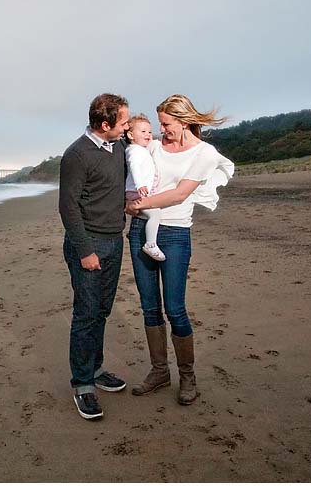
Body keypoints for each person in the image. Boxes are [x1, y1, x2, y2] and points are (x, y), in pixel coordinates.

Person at [125, 94, 234, 405]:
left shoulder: (204, 154)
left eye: (167, 124)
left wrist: (139, 204)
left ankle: (187, 375)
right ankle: (160, 371)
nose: (161, 130)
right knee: (149, 307)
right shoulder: (154, 145)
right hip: (140, 230)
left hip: (175, 234)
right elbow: (130, 162)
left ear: (184, 121)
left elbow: (178, 194)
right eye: (159, 124)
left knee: (174, 308)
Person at [59, 93, 131, 420]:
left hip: (114, 241)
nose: (127, 128)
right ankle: (83, 383)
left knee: (102, 310)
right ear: (105, 124)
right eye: (124, 122)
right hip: (87, 245)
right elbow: (68, 207)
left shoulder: (118, 148)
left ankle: (96, 367)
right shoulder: (77, 155)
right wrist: (85, 251)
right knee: (86, 314)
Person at [124, 114, 166, 262]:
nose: (148, 135)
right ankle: (150, 244)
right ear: (130, 134)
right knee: (154, 214)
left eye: (149, 131)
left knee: (147, 213)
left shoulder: (141, 149)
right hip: (136, 190)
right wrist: (140, 184)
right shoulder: (134, 151)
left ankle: (134, 233)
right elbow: (134, 167)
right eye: (143, 132)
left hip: (138, 190)